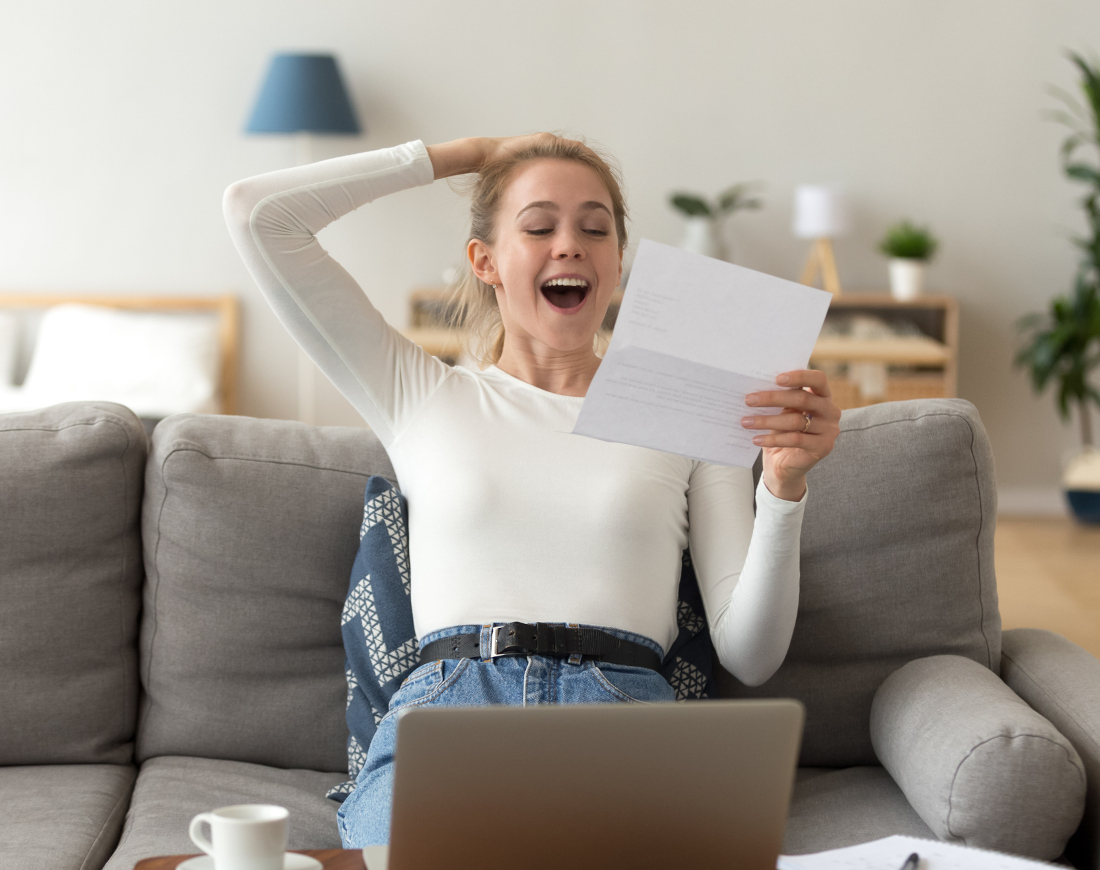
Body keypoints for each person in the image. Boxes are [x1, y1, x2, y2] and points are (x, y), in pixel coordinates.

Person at [223, 133, 841, 846]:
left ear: (616, 264)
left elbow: (751, 653)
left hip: (627, 715)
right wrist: (469, 154)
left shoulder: (688, 415)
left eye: (595, 228)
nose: (570, 245)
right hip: (450, 713)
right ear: (485, 260)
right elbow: (256, 216)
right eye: (539, 226)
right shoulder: (420, 396)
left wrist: (784, 490)